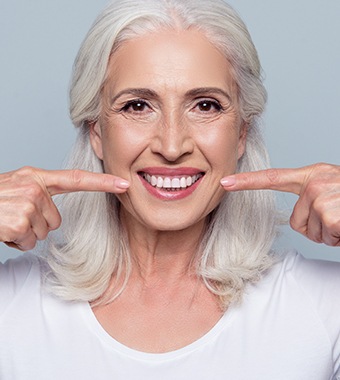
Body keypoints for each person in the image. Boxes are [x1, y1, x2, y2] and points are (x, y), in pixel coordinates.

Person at [0, 0, 339, 378]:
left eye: (206, 105)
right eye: (138, 105)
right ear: (96, 131)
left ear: (241, 132)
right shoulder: (10, 305)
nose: (172, 146)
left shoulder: (324, 306)